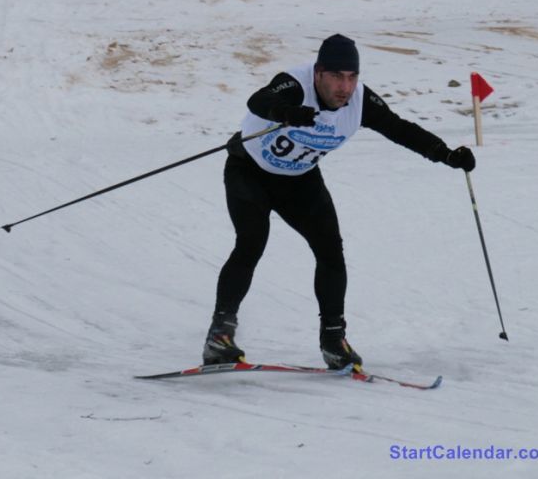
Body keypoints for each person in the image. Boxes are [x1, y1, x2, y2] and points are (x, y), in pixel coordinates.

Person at [202, 34, 476, 369]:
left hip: (299, 180)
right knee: (251, 241)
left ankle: (333, 339)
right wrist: (285, 112)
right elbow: (257, 101)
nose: (344, 87)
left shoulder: (359, 101)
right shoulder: (294, 84)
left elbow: (398, 128)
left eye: (351, 77)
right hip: (249, 172)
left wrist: (444, 154)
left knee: (331, 250)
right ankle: (220, 335)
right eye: (335, 76)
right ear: (318, 73)